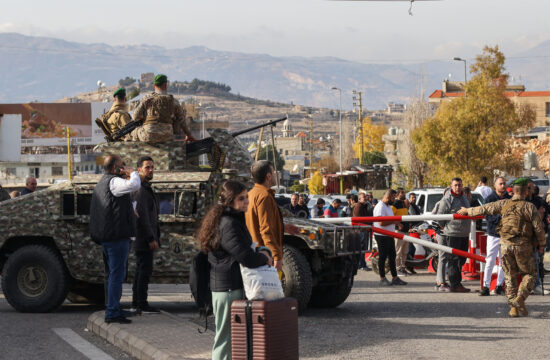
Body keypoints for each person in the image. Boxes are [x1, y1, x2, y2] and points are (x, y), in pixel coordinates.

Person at [196, 180, 273, 360]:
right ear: (230, 201)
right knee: (225, 341)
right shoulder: (228, 224)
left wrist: (258, 251)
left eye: (246, 197)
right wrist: (265, 258)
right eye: (241, 198)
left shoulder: (232, 220)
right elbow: (245, 256)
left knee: (232, 340)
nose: (246, 201)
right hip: (228, 289)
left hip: (229, 286)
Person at [458, 178, 545, 317]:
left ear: (513, 191)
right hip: (523, 246)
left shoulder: (504, 203)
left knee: (510, 276)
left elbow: (485, 209)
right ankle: (519, 299)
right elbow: (539, 229)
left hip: (505, 245)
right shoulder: (530, 207)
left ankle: (513, 308)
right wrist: (542, 245)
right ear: (525, 191)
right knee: (530, 275)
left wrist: (467, 210)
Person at [90, 155, 140, 324]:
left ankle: (113, 307)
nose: (125, 167)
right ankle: (112, 312)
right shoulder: (113, 182)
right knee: (116, 275)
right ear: (114, 169)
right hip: (116, 237)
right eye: (122, 165)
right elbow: (135, 184)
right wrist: (133, 172)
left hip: (109, 236)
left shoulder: (103, 182)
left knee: (112, 275)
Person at [245, 160, 298, 272]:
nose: (275, 175)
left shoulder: (250, 194)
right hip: (264, 258)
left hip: (253, 254)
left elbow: (257, 223)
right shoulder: (264, 196)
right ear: (268, 176)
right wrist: (276, 256)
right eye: (273, 172)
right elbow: (265, 229)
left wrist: (283, 227)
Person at [131, 156, 161, 315]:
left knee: (141, 270)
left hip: (143, 237)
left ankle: (137, 302)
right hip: (144, 238)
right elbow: (142, 215)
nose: (150, 170)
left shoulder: (145, 187)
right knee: (144, 271)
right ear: (139, 170)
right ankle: (141, 303)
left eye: (152, 167)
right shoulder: (141, 189)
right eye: (147, 167)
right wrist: (151, 238)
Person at [132, 74, 196, 143]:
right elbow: (182, 121)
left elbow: (135, 117)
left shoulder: (146, 99)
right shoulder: (174, 101)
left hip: (149, 136)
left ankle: (137, 149)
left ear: (154, 86)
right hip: (167, 136)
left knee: (135, 131)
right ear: (166, 85)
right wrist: (189, 135)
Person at [434, 178, 471, 293]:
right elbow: (440, 217)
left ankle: (456, 281)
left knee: (462, 259)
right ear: (451, 186)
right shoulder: (447, 199)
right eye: (455, 185)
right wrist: (445, 227)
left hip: (464, 233)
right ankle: (455, 284)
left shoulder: (464, 196)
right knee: (453, 260)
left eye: (460, 185)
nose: (458, 187)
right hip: (453, 233)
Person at [479, 177, 509, 296]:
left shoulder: (509, 199)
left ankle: (499, 286)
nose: (503, 185)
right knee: (490, 260)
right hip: (493, 234)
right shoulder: (490, 199)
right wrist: (501, 218)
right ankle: (486, 286)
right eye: (500, 184)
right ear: (495, 185)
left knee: (504, 261)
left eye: (504, 183)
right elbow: (488, 215)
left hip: (506, 234)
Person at [373, 189, 407, 286]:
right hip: (381, 235)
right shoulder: (380, 207)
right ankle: (382, 278)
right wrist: (394, 222)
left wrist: (396, 223)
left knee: (392, 256)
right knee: (383, 257)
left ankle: (395, 278)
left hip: (389, 234)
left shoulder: (388, 206)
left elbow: (390, 220)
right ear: (388, 197)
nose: (394, 199)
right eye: (393, 197)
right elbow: (381, 222)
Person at [354, 192, 373, 271]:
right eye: (363, 197)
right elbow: (358, 218)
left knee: (363, 247)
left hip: (364, 229)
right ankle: (362, 265)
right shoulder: (359, 206)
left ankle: (361, 264)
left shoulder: (364, 206)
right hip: (361, 230)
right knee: (361, 247)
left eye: (365, 197)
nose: (365, 198)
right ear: (359, 199)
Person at [393, 188, 410, 276]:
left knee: (405, 251)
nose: (404, 194)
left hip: (406, 231)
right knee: (398, 251)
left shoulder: (403, 203)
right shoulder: (395, 204)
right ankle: (397, 268)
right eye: (402, 193)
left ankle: (403, 267)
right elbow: (391, 216)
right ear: (397, 194)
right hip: (399, 231)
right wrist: (398, 224)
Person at [406, 192, 422, 274]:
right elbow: (413, 218)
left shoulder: (415, 206)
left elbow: (420, 216)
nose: (414, 199)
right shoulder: (410, 207)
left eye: (415, 197)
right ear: (409, 198)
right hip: (410, 230)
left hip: (415, 229)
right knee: (411, 249)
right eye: (412, 197)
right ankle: (408, 266)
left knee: (412, 248)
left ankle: (410, 266)